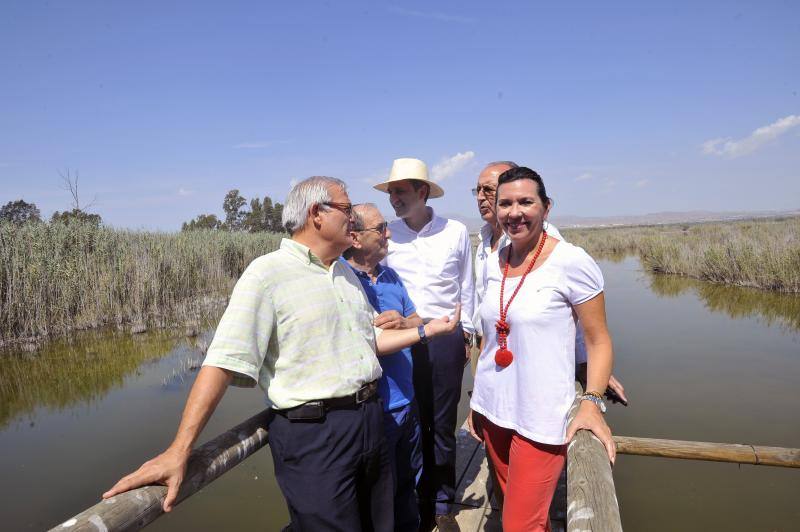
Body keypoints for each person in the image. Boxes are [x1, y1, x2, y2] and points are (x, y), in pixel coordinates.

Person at [102, 176, 462, 532]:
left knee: (382, 523)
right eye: (347, 209)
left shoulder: (344, 274)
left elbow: (371, 341)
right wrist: (180, 449)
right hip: (316, 434)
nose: (353, 219)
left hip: (370, 420)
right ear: (316, 214)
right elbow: (222, 363)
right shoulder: (266, 274)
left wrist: (427, 330)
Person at [468, 167, 616, 532]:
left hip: (541, 418)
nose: (514, 212)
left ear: (546, 207)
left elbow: (598, 340)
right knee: (523, 516)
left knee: (519, 526)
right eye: (505, 203)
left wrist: (592, 401)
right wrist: (476, 405)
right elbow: (487, 337)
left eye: (525, 202)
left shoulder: (571, 262)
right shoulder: (494, 259)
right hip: (493, 411)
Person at [374, 158, 474, 532]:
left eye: (400, 191)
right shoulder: (386, 234)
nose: (394, 199)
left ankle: (443, 503)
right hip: (400, 341)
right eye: (391, 192)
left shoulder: (455, 232)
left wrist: (466, 334)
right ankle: (414, 501)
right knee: (406, 421)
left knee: (442, 425)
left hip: (444, 336)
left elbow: (468, 286)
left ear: (422, 191)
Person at [473, 160, 627, 404]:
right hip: (489, 357)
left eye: (489, 190)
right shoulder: (486, 245)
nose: (482, 197)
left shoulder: (557, 250)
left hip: (534, 375)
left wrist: (589, 372)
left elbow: (575, 320)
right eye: (478, 190)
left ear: (545, 208)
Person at [342, 203, 424, 532]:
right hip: (377, 410)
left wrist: (405, 322)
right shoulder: (344, 282)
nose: (388, 233)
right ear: (356, 238)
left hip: (408, 402)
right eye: (380, 229)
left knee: (409, 484)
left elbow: (417, 319)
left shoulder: (391, 275)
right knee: (379, 498)